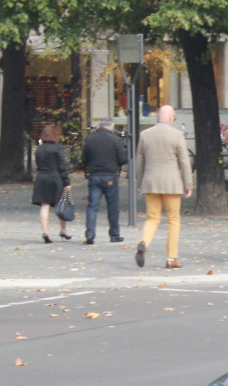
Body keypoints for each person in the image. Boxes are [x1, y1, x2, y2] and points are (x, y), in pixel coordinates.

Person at [133, 104, 193, 269]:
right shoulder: (177, 135)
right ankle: (170, 258)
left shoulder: (145, 134)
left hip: (151, 183)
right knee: (173, 220)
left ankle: (144, 243)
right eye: (173, 118)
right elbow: (184, 162)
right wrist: (188, 184)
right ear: (169, 117)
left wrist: (140, 182)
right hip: (172, 184)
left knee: (152, 218)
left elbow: (139, 162)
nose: (173, 120)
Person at [80, 117, 128, 245]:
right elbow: (122, 159)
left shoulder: (90, 139)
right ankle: (114, 234)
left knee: (92, 206)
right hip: (110, 176)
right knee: (112, 207)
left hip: (94, 176)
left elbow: (83, 159)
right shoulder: (115, 140)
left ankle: (90, 234)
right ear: (110, 126)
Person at [31, 123, 71, 244]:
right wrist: (67, 182)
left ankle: (45, 231)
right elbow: (62, 167)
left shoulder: (39, 148)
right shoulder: (57, 148)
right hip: (55, 178)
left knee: (45, 205)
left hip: (42, 178)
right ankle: (63, 230)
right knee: (61, 205)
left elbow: (38, 164)